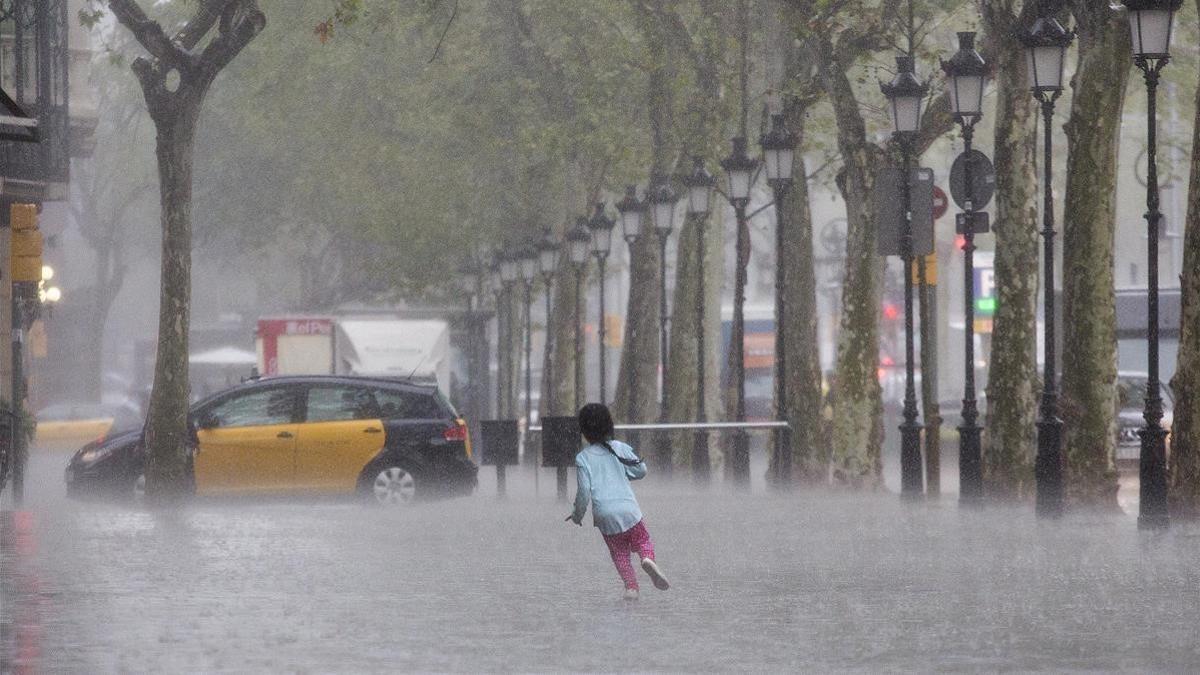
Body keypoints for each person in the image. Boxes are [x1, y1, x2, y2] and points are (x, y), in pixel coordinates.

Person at [565, 403, 669, 600]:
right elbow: (641, 470)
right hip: (628, 510)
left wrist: (577, 515)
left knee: (619, 553)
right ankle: (647, 559)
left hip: (605, 516)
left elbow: (584, 492)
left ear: (584, 431)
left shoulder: (583, 458)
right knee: (643, 540)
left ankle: (631, 587)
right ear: (609, 426)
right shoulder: (619, 448)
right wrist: (622, 474)